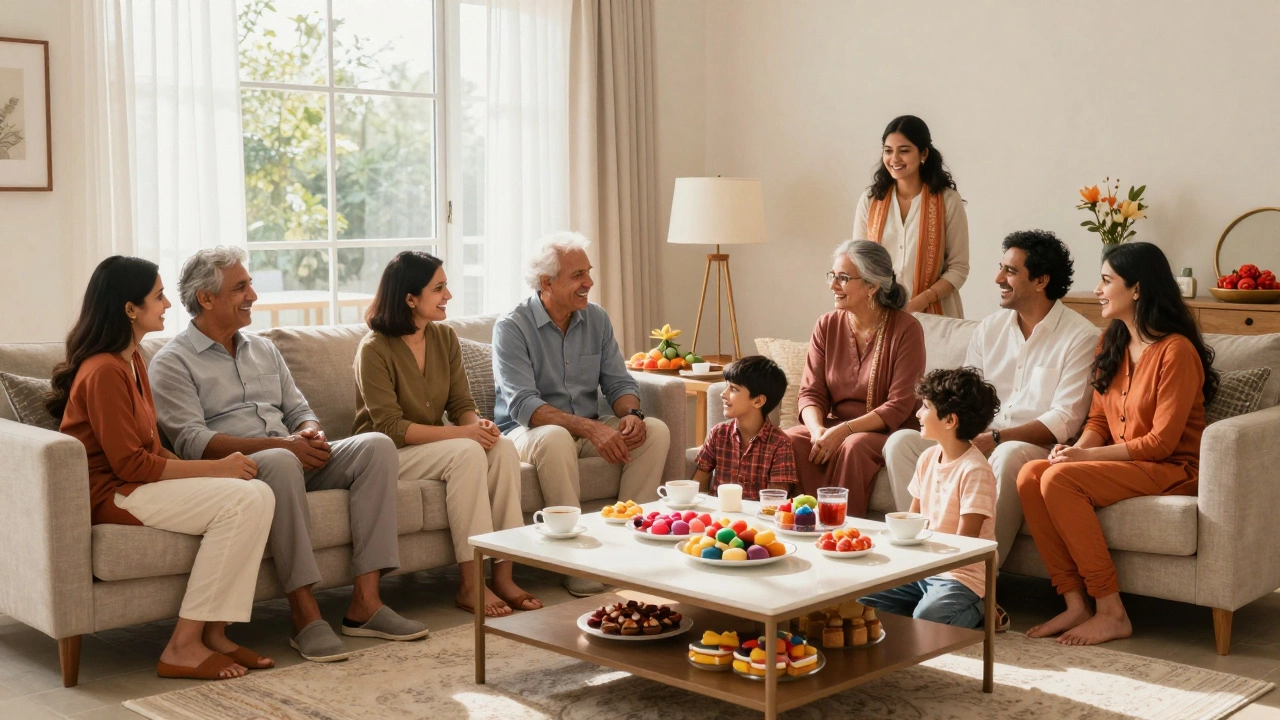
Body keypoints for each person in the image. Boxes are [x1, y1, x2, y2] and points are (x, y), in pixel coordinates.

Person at [150, 247, 428, 664]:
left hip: (291, 453)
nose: (253, 295)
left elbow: (299, 410)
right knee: (280, 462)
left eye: (250, 285)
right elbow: (192, 441)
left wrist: (309, 433)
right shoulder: (172, 362)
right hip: (241, 469)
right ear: (206, 298)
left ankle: (366, 605)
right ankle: (305, 615)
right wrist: (283, 447)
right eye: (240, 288)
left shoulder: (263, 348)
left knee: (376, 446)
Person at [48, 256, 274, 680]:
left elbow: (152, 447)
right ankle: (182, 646)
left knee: (258, 492)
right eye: (158, 296)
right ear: (130, 309)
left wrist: (209, 470)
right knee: (243, 502)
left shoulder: (133, 359)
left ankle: (215, 633)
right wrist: (215, 470)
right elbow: (131, 464)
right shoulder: (104, 371)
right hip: (113, 493)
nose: (168, 304)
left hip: (136, 485)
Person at [1017, 241, 1218, 646]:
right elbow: (1097, 421)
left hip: (1171, 468)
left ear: (1137, 289)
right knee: (1031, 474)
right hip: (1128, 464)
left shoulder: (1176, 352)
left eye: (1107, 281)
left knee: (1059, 480)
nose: (1098, 290)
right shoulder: (1111, 341)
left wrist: (1084, 457)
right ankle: (1075, 603)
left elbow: (1160, 443)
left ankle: (1112, 612)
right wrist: (1073, 451)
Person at [884, 230, 1098, 567]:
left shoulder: (1081, 337)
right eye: (1001, 268)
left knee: (1008, 454)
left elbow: (1065, 419)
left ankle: (979, 573)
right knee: (902, 443)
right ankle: (916, 559)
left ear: (1041, 281)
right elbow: (964, 395)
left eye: (1010, 271)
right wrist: (966, 435)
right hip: (977, 436)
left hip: (1032, 447)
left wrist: (997, 438)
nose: (998, 278)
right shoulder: (990, 328)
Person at [352, 251, 541, 618]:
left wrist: (477, 426)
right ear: (410, 298)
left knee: (502, 448)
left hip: (434, 446)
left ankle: (504, 576)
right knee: (466, 453)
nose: (448, 296)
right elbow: (391, 428)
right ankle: (471, 585)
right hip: (387, 453)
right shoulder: (374, 349)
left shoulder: (444, 337)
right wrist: (463, 436)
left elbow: (460, 403)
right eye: (438, 288)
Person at [493, 231, 671, 597]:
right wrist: (591, 429)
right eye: (578, 275)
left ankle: (629, 550)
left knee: (654, 431)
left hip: (583, 426)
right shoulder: (512, 327)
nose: (589, 283)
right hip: (526, 432)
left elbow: (619, 383)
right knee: (556, 437)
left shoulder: (597, 319)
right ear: (547, 282)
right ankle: (574, 560)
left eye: (588, 273)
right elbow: (524, 405)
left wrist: (632, 414)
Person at [785, 240, 926, 516]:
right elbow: (811, 393)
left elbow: (899, 405)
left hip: (887, 431)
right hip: (834, 424)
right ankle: (800, 523)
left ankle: (843, 529)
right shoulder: (826, 324)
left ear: (872, 286)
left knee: (853, 445)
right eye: (832, 275)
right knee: (790, 439)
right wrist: (817, 430)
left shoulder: (907, 329)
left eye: (843, 278)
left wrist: (844, 431)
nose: (833, 285)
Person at [860, 367, 1000, 628]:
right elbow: (913, 521)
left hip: (960, 576)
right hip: (924, 569)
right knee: (860, 601)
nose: (918, 413)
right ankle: (923, 605)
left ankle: (981, 607)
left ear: (950, 421)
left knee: (927, 619)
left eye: (925, 407)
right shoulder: (927, 458)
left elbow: (965, 546)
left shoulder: (975, 471)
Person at [854, 115, 969, 318]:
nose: (895, 159)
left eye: (904, 150)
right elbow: (858, 263)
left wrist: (919, 303)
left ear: (923, 153)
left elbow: (958, 268)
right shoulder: (870, 201)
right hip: (880, 314)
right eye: (888, 151)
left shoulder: (948, 201)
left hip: (936, 317)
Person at [691, 355, 797, 501]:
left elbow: (775, 501)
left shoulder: (780, 444)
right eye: (726, 386)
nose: (723, 394)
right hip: (718, 512)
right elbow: (698, 486)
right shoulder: (718, 433)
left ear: (758, 401)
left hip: (757, 515)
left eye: (733, 389)